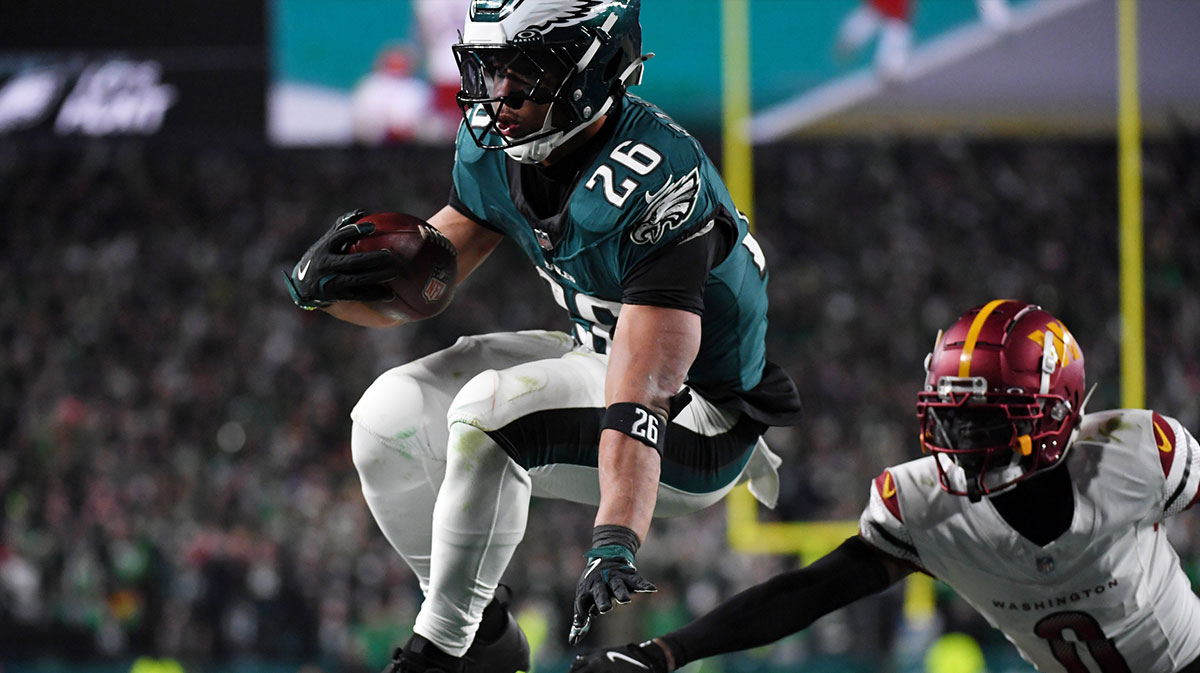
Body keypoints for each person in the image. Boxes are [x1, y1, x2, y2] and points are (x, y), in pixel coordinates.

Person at [282, 1, 803, 672]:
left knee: (489, 409)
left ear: (592, 67)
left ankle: (439, 652)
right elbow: (431, 281)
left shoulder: (654, 182)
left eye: (524, 70)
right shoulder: (501, 147)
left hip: (694, 415)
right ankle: (485, 634)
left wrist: (616, 534)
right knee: (387, 417)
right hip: (601, 359)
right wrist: (335, 286)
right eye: (491, 69)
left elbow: (643, 390)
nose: (500, 96)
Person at [569, 299, 1200, 673]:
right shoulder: (926, 506)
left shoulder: (1133, 454)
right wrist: (667, 653)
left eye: (984, 421)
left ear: (1057, 417)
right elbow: (808, 591)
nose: (962, 441)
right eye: (951, 417)